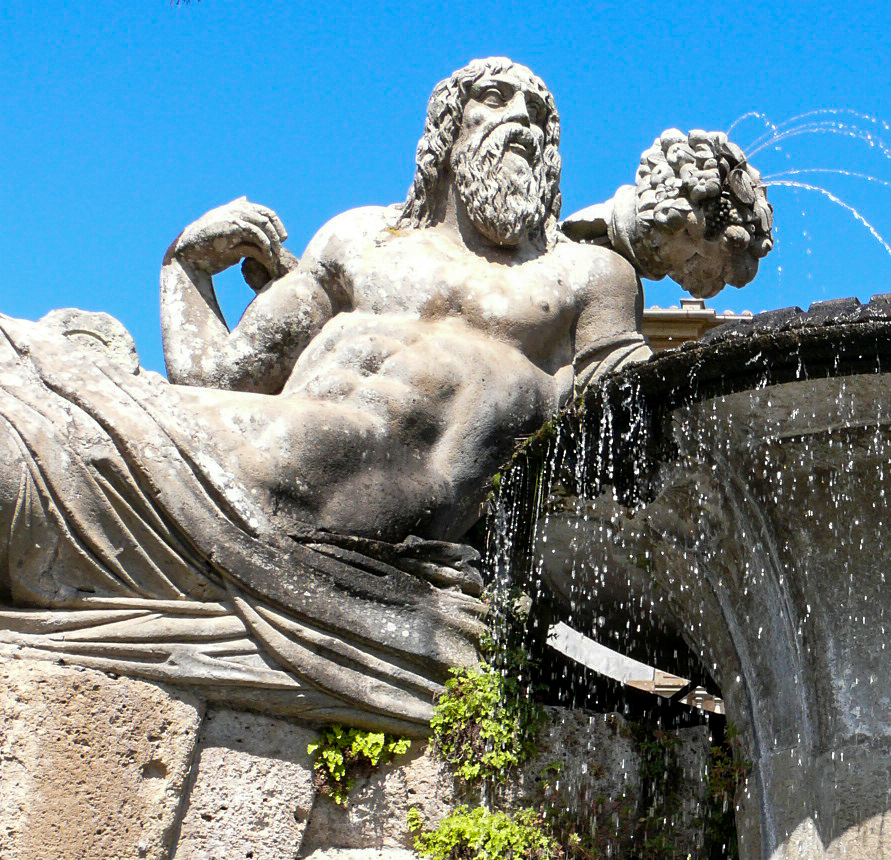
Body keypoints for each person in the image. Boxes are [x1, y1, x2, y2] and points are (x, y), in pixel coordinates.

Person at [0, 58, 653, 730]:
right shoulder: (356, 241)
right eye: (495, 98)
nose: (522, 119)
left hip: (340, 497)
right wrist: (185, 267)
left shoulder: (587, 275)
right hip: (230, 451)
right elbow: (220, 376)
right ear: (448, 129)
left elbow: (627, 427)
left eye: (541, 114)